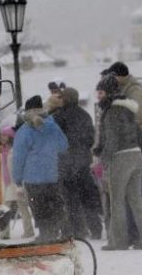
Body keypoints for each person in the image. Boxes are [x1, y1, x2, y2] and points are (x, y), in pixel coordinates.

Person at [94, 75, 142, 250]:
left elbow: (112, 140)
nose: (98, 96)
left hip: (121, 158)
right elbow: (139, 135)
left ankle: (118, 241)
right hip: (136, 156)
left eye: (101, 92)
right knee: (136, 199)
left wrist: (102, 160)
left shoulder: (112, 111)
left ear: (109, 93)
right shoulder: (128, 110)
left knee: (117, 201)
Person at [12, 95, 69, 242]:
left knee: (39, 208)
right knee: (55, 205)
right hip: (52, 175)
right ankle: (62, 232)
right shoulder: (53, 125)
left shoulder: (24, 131)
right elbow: (63, 146)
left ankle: (46, 234)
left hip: (33, 178)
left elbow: (18, 157)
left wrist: (17, 178)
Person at [54, 87, 102, 239]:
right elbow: (90, 138)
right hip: (83, 163)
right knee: (88, 197)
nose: (59, 100)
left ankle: (78, 230)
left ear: (66, 99)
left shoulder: (58, 117)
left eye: (61, 97)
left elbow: (56, 141)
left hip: (66, 165)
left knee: (71, 200)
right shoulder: (85, 115)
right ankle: (96, 229)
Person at [107, 61, 142, 208]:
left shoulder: (135, 91)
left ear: (118, 76)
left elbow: (137, 116)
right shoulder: (124, 90)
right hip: (134, 145)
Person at [0, 126, 35, 239]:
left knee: (23, 207)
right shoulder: (3, 151)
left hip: (17, 182)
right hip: (7, 184)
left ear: (10, 137)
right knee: (5, 208)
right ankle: (4, 233)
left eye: (5, 135)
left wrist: (21, 184)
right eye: (2, 135)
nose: (2, 137)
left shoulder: (17, 150)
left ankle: (29, 231)